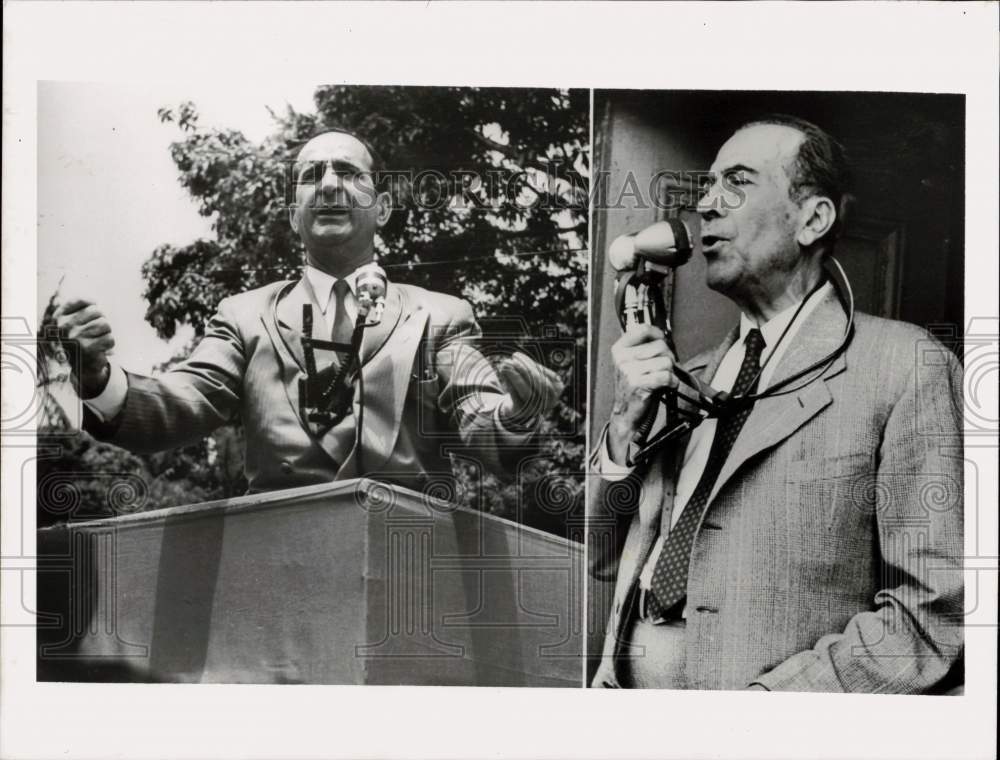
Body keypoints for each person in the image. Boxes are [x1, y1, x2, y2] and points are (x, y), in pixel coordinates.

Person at [590, 115, 963, 692]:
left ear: (813, 219)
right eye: (708, 185)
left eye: (737, 182)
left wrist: (770, 711)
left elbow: (931, 615)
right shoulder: (686, 378)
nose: (706, 205)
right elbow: (603, 559)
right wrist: (621, 430)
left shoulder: (906, 365)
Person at [55, 128, 563, 494]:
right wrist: (98, 378)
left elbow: (481, 419)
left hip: (408, 567)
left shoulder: (441, 316)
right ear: (292, 213)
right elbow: (180, 403)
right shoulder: (242, 317)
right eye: (311, 175)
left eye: (348, 172)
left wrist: (516, 413)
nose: (329, 185)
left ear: (383, 207)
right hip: (282, 570)